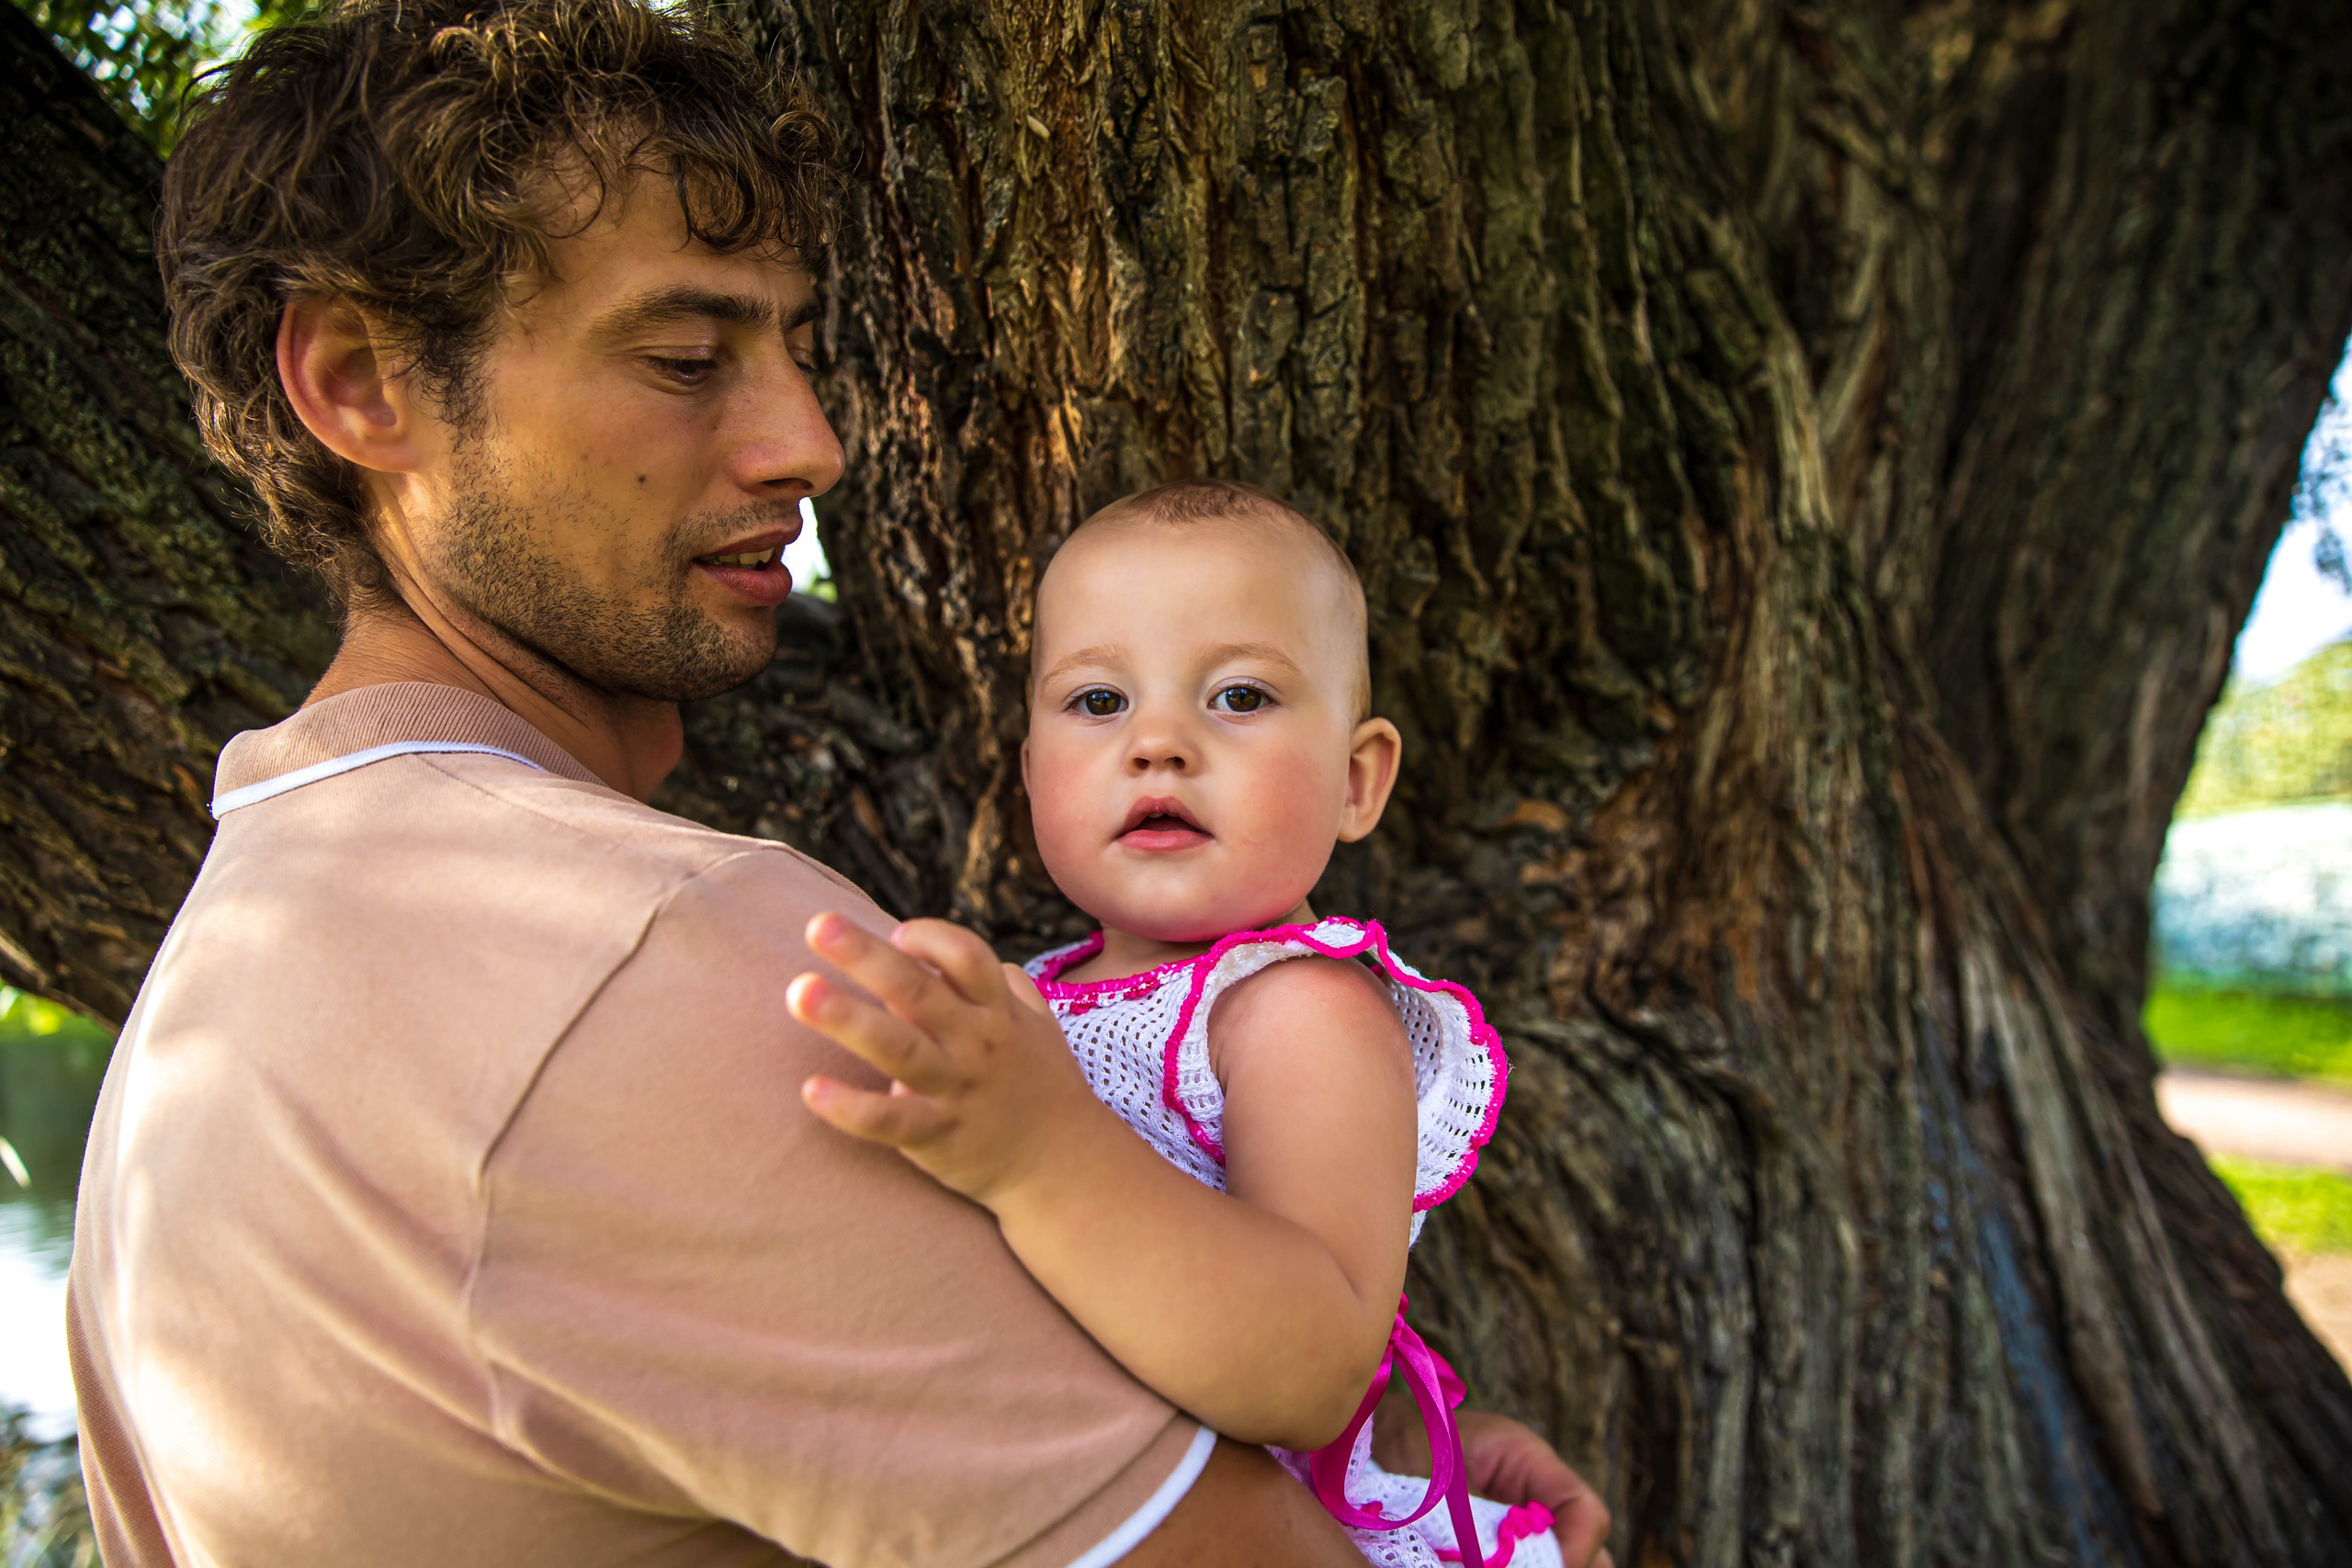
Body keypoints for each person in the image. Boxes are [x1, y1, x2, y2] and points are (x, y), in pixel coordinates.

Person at [63, 1, 1613, 1565]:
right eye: (686, 356)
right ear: (358, 379)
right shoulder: (643, 954)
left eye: (796, 347)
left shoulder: (186, 1038)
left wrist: (1398, 1464)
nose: (810, 441)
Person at [784, 483, 1597, 1568]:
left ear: (1357, 783)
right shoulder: (1039, 996)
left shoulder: (1296, 1012)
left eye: (1242, 695)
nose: (1159, 742)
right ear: (1032, 775)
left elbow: (1310, 1372)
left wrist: (1034, 1153)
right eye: (1098, 703)